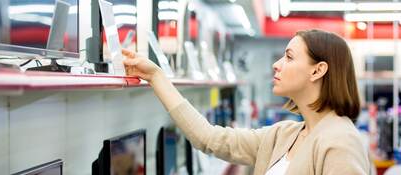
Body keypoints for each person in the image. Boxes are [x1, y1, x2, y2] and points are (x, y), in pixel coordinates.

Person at [122, 29, 369, 175]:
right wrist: (155, 77)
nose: (276, 64)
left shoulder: (340, 142)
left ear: (318, 71)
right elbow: (209, 138)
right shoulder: (284, 134)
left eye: (289, 57)